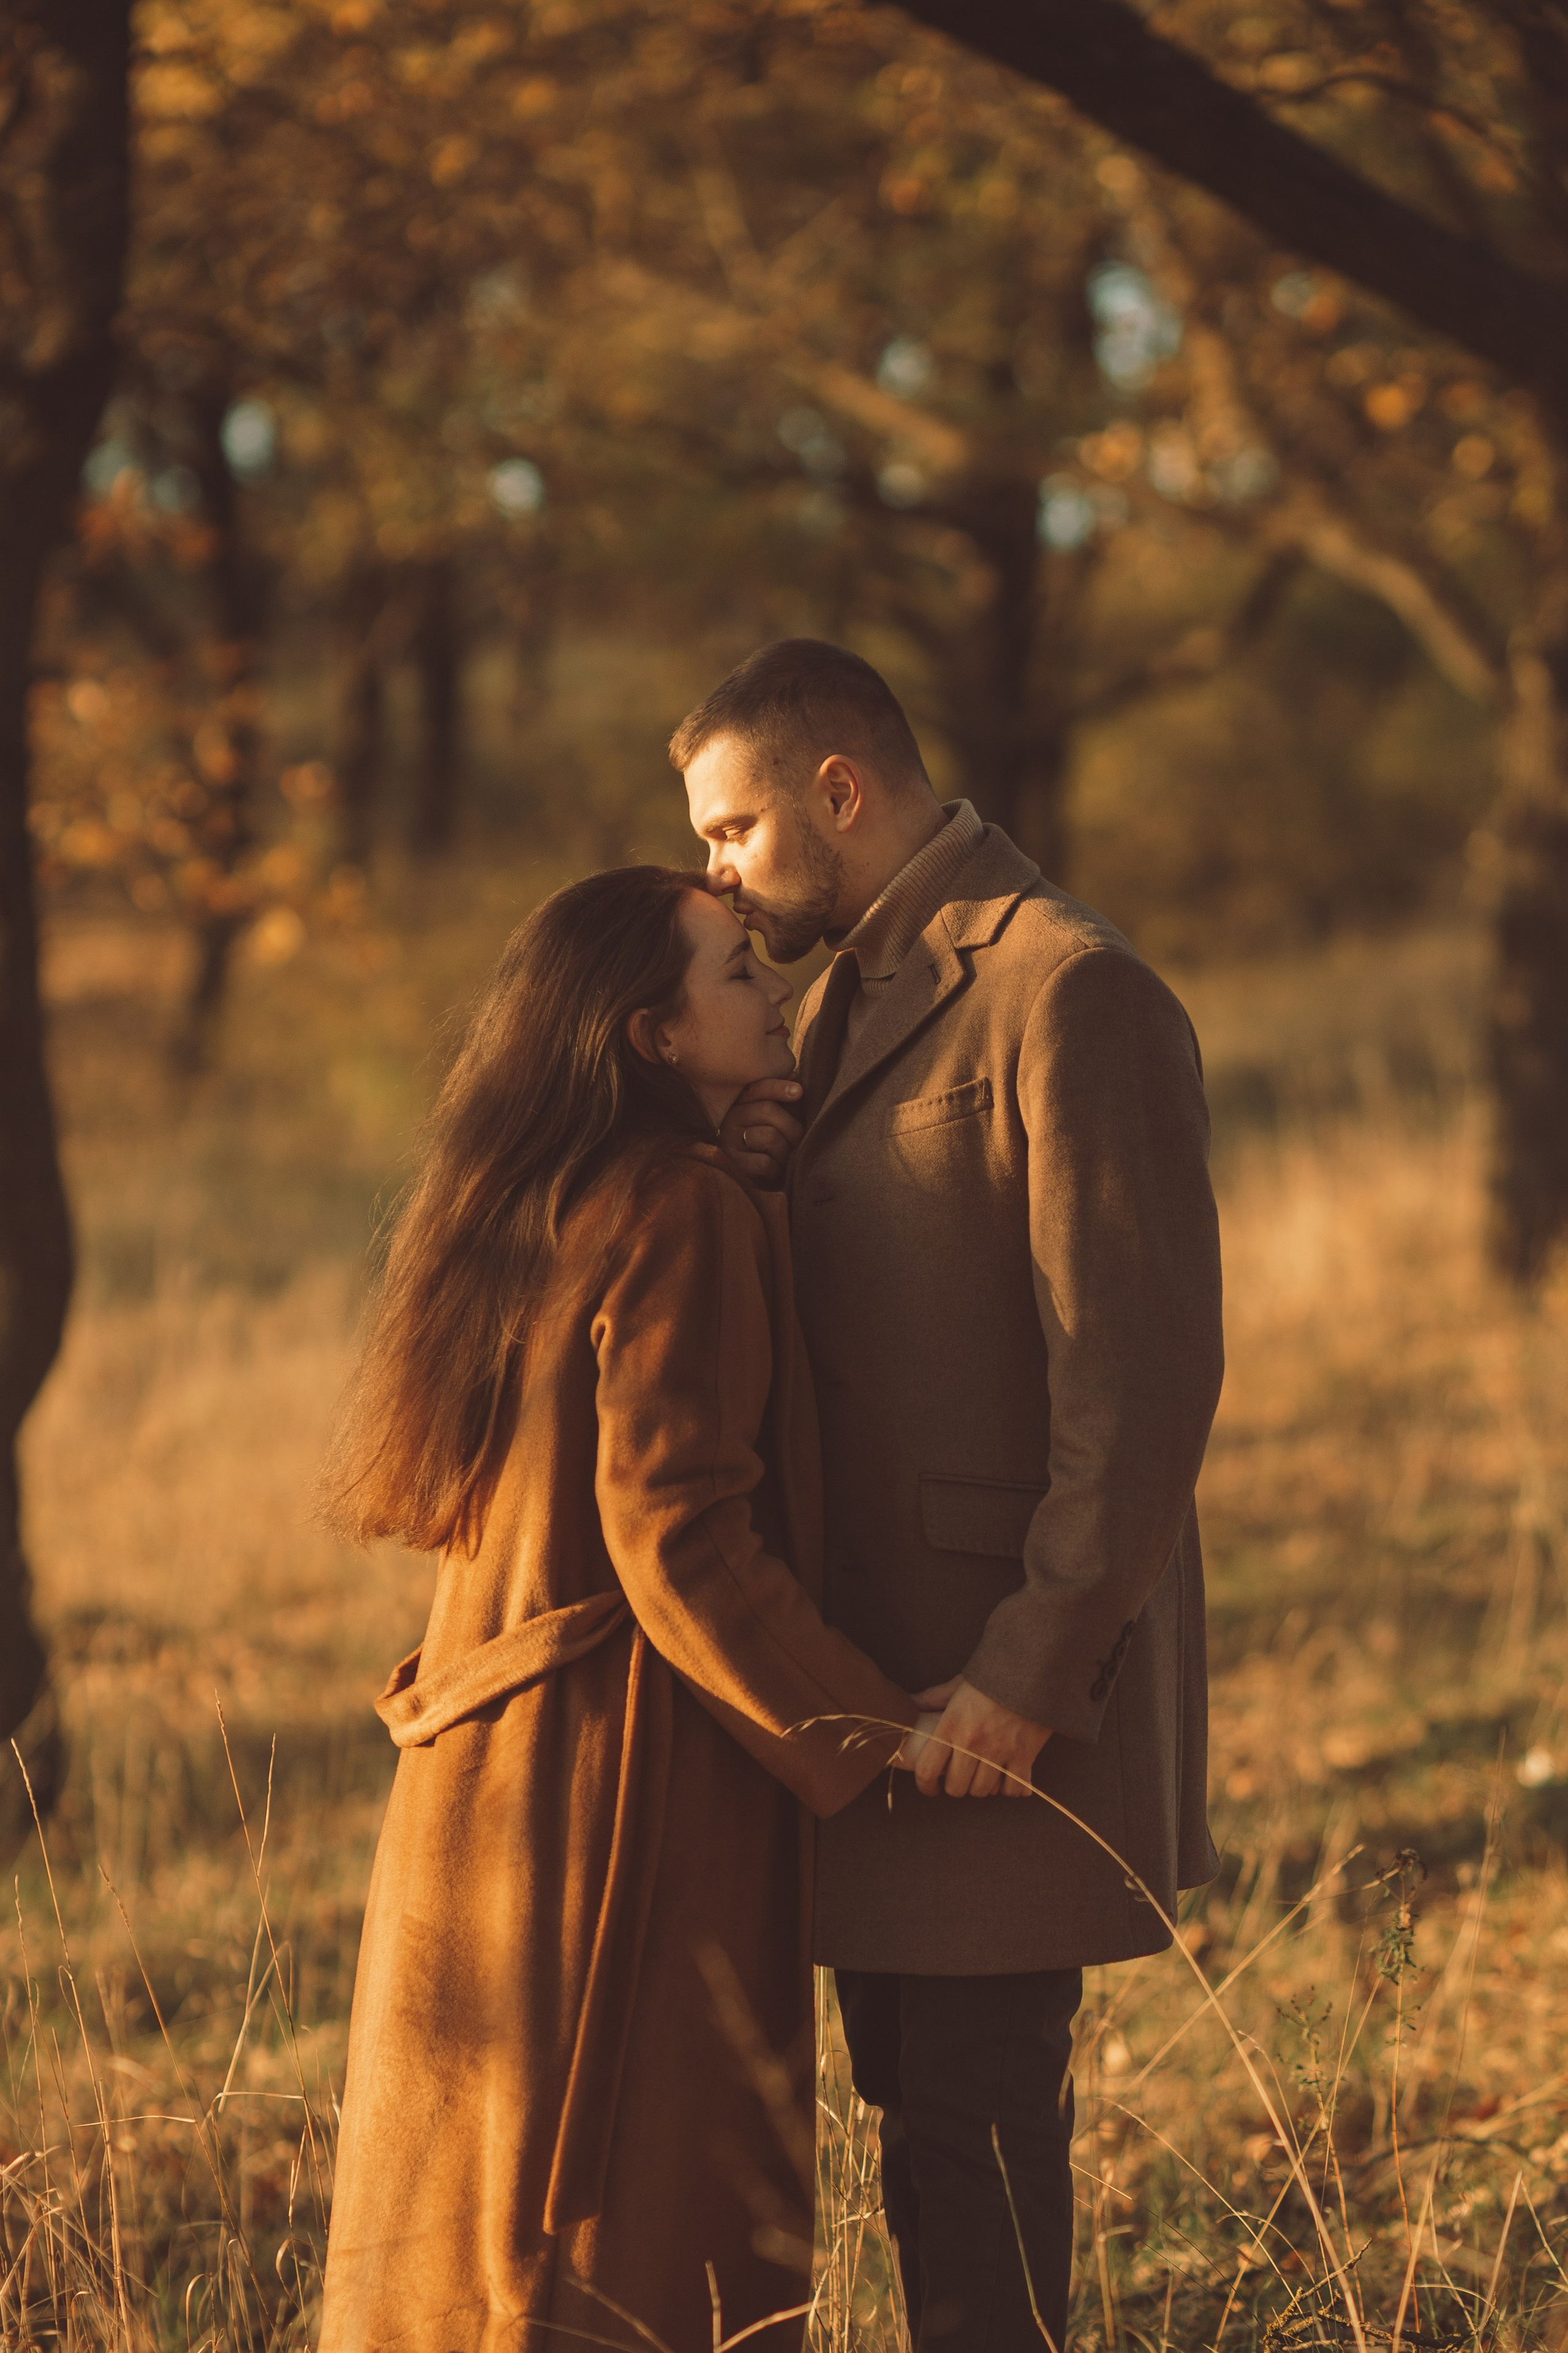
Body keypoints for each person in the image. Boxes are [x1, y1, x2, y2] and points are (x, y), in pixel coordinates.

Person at [673, 640, 1227, 2353]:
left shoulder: (1069, 986)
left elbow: (1139, 1384)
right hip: (872, 1697)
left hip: (999, 1696)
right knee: (917, 2133)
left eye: (734, 829)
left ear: (839, 790)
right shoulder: (841, 989)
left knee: (975, 2148)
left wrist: (1030, 1671)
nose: (717, 874)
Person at [315, 865, 939, 2353]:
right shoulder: (677, 1206)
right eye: (735, 972)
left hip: (482, 1780)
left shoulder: (539, 1194)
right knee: (622, 2243)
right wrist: (873, 1731)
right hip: (619, 1791)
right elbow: (678, 1533)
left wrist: (751, 1181)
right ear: (652, 1034)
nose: (774, 990)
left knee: (468, 2233)